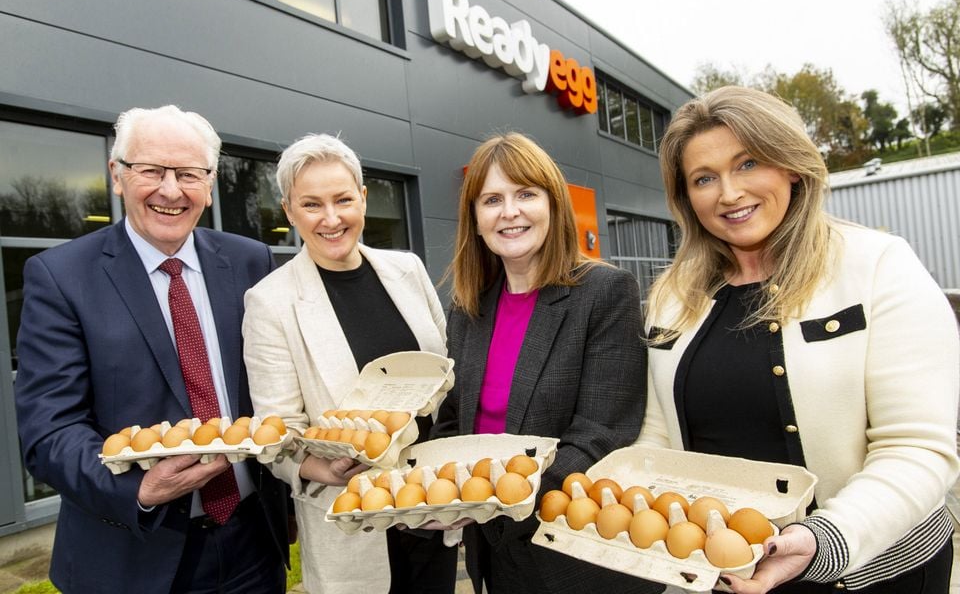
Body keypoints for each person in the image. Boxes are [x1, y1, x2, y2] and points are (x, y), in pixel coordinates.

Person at [638, 86, 960, 593]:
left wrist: (824, 539)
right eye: (704, 178)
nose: (728, 193)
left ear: (790, 166)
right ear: (686, 198)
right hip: (727, 572)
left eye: (747, 165)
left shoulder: (877, 266)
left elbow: (917, 447)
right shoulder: (673, 297)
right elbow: (658, 437)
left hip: (869, 570)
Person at [14, 105, 290, 594]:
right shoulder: (60, 277)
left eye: (188, 173)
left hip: (252, 542)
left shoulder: (251, 260)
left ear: (208, 183)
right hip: (132, 553)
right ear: (118, 176)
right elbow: (48, 430)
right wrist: (138, 489)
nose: (170, 190)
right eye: (151, 170)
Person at [431, 132, 659, 594]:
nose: (509, 212)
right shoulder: (468, 307)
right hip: (493, 549)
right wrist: (429, 483)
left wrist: (496, 498)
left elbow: (602, 432)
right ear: (475, 220)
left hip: (573, 552)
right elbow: (455, 420)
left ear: (553, 205)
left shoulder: (604, 292)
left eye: (526, 194)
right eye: (492, 199)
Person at [242, 133, 457, 594]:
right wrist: (315, 467)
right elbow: (275, 427)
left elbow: (446, 375)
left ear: (363, 198)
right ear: (289, 211)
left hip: (432, 510)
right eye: (312, 204)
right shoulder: (271, 302)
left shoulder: (408, 271)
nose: (332, 218)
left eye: (343, 199)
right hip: (350, 520)